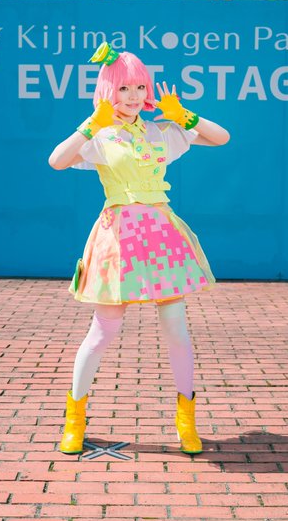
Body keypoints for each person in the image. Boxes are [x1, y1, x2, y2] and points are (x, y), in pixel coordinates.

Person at [48, 42, 230, 455]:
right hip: (117, 239)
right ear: (107, 91)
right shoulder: (99, 135)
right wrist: (90, 125)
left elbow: (221, 137)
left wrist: (184, 115)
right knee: (103, 331)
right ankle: (74, 420)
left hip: (161, 237)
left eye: (138, 87)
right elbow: (56, 160)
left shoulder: (160, 131)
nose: (132, 96)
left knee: (177, 332)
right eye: (123, 88)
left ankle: (186, 421)